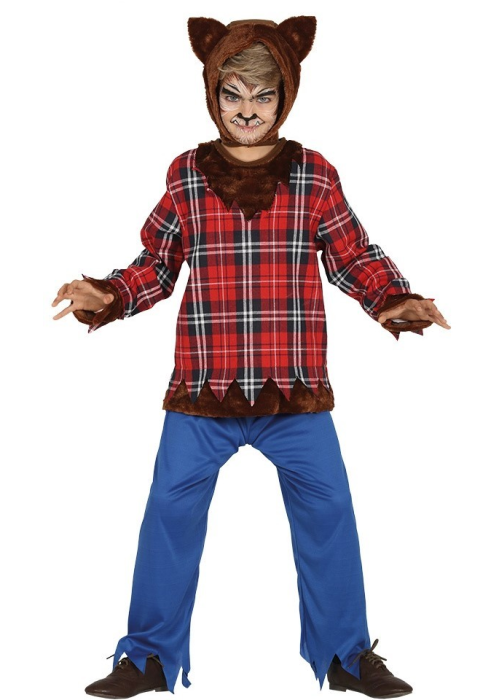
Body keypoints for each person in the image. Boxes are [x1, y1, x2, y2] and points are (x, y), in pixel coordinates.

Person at [52, 16, 450, 699]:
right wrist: (109, 294)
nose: (247, 110)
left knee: (329, 511)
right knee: (168, 513)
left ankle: (346, 654)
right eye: (233, 94)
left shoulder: (313, 174)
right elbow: (156, 264)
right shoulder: (187, 175)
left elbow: (353, 254)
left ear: (284, 98)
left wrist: (394, 300)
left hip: (294, 391)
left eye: (262, 97)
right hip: (203, 391)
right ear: (213, 95)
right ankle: (147, 657)